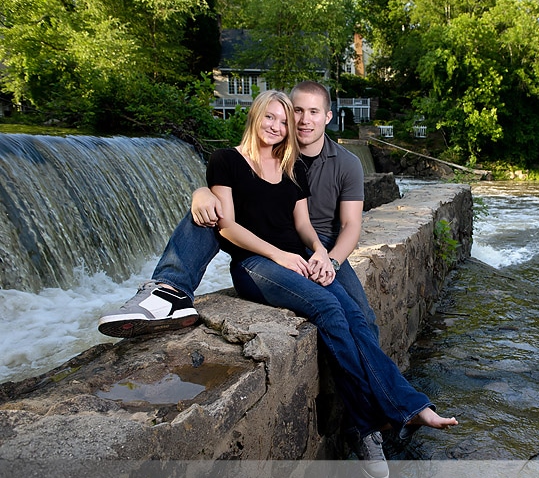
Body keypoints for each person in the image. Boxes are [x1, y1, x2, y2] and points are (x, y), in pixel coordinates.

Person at [99, 86, 457, 478]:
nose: (278, 126)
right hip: (256, 265)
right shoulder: (226, 161)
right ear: (254, 116)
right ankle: (370, 419)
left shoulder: (293, 168)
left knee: (355, 316)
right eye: (271, 117)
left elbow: (304, 225)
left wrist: (320, 254)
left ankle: (405, 407)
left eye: (283, 121)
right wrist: (278, 255)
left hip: (300, 261)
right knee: (329, 310)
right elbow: (227, 226)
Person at [98, 80, 377, 340]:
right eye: (297, 111)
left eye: (314, 112)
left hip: (320, 246)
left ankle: (380, 379)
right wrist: (202, 192)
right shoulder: (267, 150)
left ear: (327, 117)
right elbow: (236, 181)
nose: (304, 120)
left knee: (361, 315)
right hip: (266, 241)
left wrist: (332, 260)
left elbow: (351, 225)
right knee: (210, 211)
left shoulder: (344, 162)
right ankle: (169, 290)